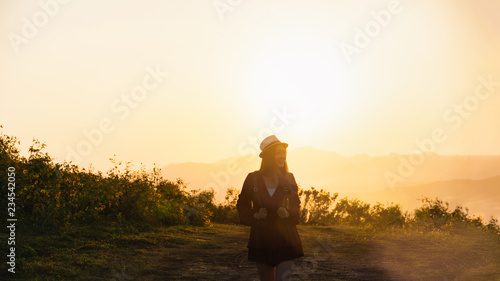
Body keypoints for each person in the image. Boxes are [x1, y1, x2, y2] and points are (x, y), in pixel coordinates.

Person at [237, 135, 304, 281]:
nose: (283, 157)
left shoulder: (289, 178)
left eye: (284, 153)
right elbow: (242, 204)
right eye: (278, 153)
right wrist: (255, 215)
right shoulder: (252, 179)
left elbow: (296, 205)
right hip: (262, 239)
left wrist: (288, 213)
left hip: (286, 239)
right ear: (268, 156)